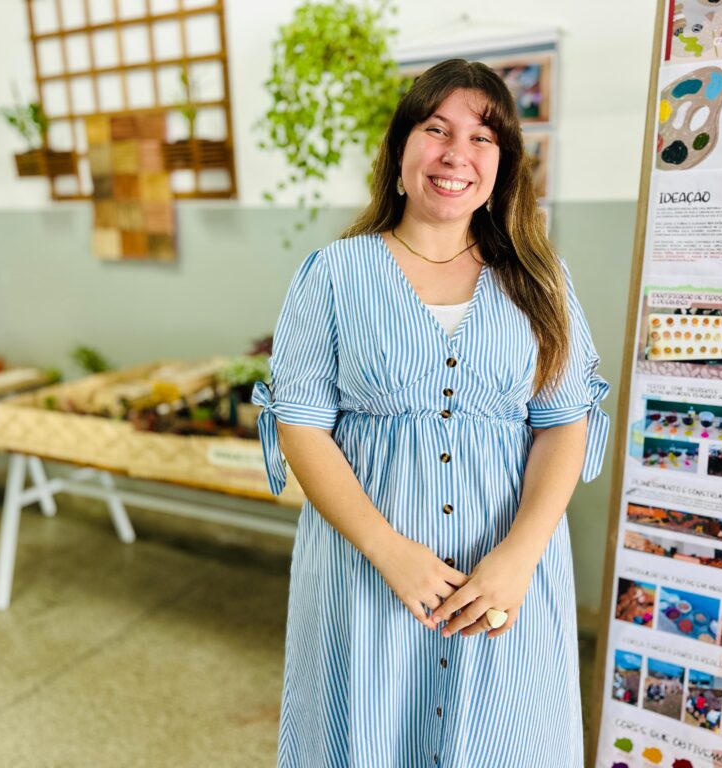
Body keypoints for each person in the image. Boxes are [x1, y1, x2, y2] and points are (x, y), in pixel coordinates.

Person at [252, 58, 609, 767]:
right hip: (368, 574)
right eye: (436, 129)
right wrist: (392, 553)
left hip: (505, 580)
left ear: (504, 163)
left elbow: (565, 420)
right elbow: (300, 424)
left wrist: (518, 557)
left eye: (483, 137)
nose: (456, 154)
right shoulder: (334, 274)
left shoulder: (540, 279)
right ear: (400, 149)